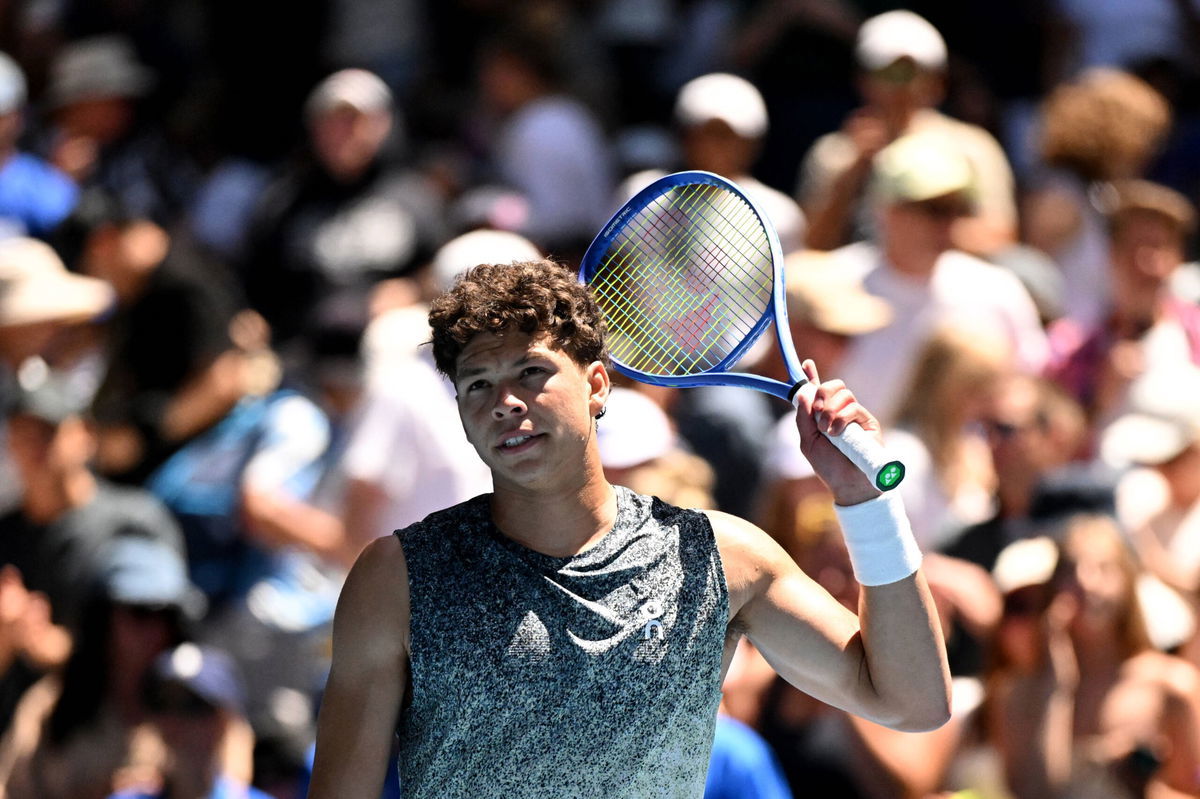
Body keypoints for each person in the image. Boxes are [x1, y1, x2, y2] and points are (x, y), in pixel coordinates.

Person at [308, 259, 950, 797]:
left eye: (531, 372)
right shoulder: (395, 578)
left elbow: (913, 702)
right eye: (478, 383)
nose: (505, 402)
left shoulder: (724, 558)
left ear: (597, 384)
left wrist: (864, 501)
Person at [824, 132, 1048, 424]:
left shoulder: (998, 290)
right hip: (851, 460)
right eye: (933, 208)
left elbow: (1030, 386)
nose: (947, 223)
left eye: (958, 209)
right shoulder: (832, 283)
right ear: (886, 209)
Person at [797, 10, 1017, 256]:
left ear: (938, 82)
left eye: (913, 72)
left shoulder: (972, 147)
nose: (900, 86)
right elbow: (812, 247)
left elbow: (1000, 235)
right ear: (862, 80)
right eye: (887, 73)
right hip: (854, 288)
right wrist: (851, 175)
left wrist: (916, 224)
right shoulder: (835, 152)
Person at [1046, 179, 1200, 428]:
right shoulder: (1069, 350)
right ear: (1112, 255)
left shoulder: (1195, 333)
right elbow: (1048, 448)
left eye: (1158, 248)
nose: (1147, 266)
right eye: (1136, 248)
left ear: (1178, 259)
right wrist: (1097, 400)